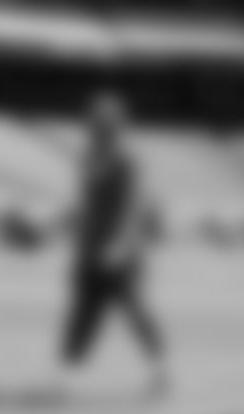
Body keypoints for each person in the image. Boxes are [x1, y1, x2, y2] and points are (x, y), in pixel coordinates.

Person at [55, 92, 170, 398]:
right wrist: (73, 231)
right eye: (94, 122)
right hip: (90, 251)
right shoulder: (88, 158)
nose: (96, 128)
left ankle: (158, 369)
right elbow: (86, 206)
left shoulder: (126, 161)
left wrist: (118, 245)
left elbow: (130, 208)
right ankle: (68, 373)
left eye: (103, 123)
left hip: (123, 256)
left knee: (133, 309)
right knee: (83, 312)